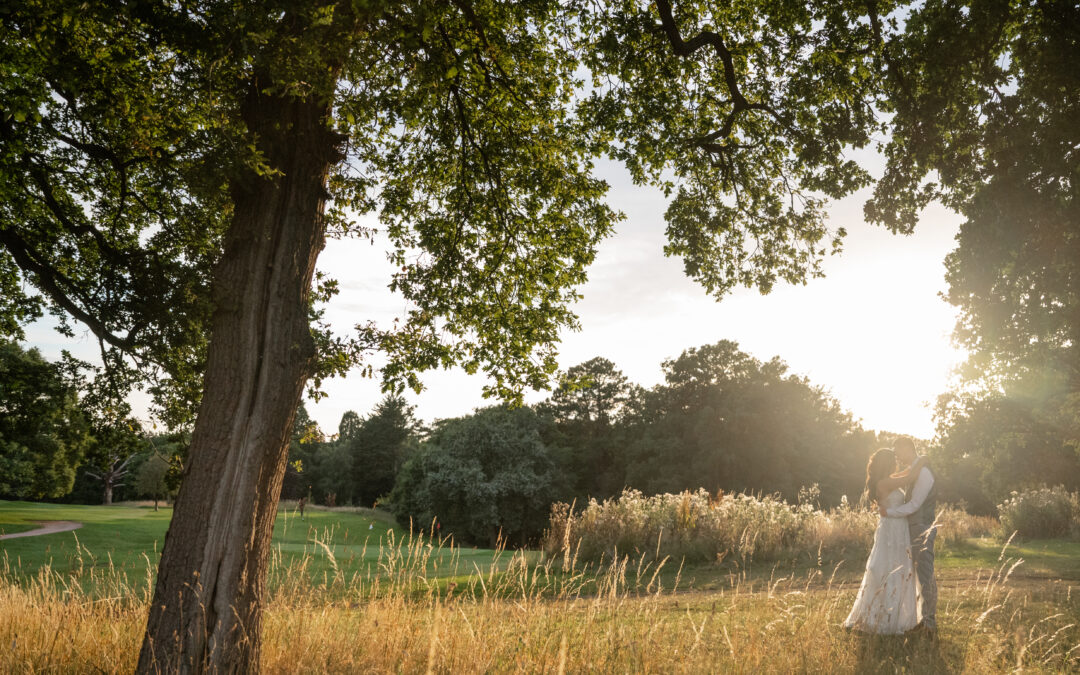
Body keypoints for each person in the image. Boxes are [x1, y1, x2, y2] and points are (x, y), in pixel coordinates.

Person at [843, 448, 926, 634]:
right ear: (887, 463)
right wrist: (922, 460)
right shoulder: (885, 483)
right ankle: (887, 619)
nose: (897, 462)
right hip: (892, 529)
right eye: (894, 459)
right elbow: (910, 477)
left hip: (896, 526)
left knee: (896, 566)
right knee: (890, 567)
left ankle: (895, 615)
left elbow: (905, 473)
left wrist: (912, 463)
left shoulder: (887, 479)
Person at [880, 437, 938, 637]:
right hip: (913, 527)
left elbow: (915, 505)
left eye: (898, 451)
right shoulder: (916, 468)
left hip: (922, 527)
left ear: (907, 448)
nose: (896, 455)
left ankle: (929, 623)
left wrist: (889, 513)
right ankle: (922, 620)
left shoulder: (923, 472)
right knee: (918, 574)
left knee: (925, 573)